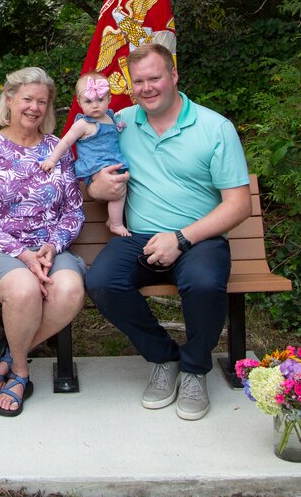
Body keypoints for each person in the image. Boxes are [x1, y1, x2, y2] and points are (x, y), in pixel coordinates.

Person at [84, 43, 252, 421]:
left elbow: (239, 204)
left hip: (199, 238)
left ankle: (194, 369)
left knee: (205, 283)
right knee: (102, 281)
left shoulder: (214, 128)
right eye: (138, 80)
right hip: (138, 237)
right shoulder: (119, 123)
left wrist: (181, 238)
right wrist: (95, 189)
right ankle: (163, 358)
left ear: (174, 76)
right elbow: (89, 176)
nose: (147, 87)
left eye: (155, 77)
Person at [0, 67, 86, 417]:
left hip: (50, 247)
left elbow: (73, 212)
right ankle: (21, 372)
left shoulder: (58, 150)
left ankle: (9, 354)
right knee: (23, 290)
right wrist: (22, 254)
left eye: (42, 102)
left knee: (70, 290)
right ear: (10, 99)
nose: (34, 108)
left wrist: (53, 245)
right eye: (27, 99)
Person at [40, 71, 130, 236]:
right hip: (94, 166)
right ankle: (116, 222)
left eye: (100, 100)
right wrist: (52, 160)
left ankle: (113, 219)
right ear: (80, 103)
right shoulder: (83, 124)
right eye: (88, 101)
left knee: (122, 183)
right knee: (117, 183)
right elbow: (65, 142)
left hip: (112, 161)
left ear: (109, 99)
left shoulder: (111, 117)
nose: (95, 105)